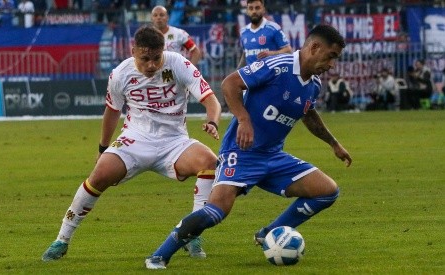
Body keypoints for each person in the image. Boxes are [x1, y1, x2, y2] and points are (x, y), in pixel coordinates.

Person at [145, 24, 352, 270]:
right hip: (241, 152)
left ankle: (270, 233)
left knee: (327, 191)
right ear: (315, 47)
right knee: (217, 210)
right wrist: (243, 119)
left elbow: (308, 113)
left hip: (273, 157)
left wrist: (334, 144)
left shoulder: (314, 84)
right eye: (331, 56)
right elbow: (230, 83)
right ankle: (160, 254)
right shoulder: (279, 66)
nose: (332, 65)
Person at [41, 25, 222, 262]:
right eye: (145, 58)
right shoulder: (120, 74)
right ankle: (61, 240)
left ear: (163, 50)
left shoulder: (178, 63)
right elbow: (112, 112)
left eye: (156, 58)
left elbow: (211, 99)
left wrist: (213, 122)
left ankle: (192, 232)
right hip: (135, 139)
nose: (151, 65)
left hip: (174, 142)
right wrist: (102, 149)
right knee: (98, 176)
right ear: (133, 50)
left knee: (209, 162)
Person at [237, 0, 292, 68]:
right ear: (247, 11)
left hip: (271, 76)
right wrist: (236, 72)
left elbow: (288, 51)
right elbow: (245, 54)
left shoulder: (273, 28)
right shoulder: (243, 32)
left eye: (257, 8)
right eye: (251, 8)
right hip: (252, 78)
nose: (254, 11)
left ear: (263, 10)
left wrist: (272, 54)